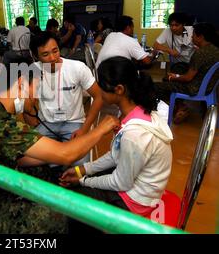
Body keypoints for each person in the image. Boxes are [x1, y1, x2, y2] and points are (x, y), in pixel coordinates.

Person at [0, 56, 119, 234]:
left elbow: (20, 159)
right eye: (37, 90)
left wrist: (50, 158)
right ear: (22, 83)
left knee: (49, 173)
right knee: (57, 216)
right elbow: (66, 155)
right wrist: (102, 128)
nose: (37, 98)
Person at [60, 56, 173, 233]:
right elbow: (116, 154)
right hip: (136, 187)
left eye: (102, 87)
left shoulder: (134, 134)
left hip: (136, 201)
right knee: (82, 185)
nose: (98, 91)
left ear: (119, 89)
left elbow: (121, 182)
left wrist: (83, 181)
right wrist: (84, 169)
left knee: (75, 205)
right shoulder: (135, 111)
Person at [29, 32, 104, 166]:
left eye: (55, 51)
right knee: (27, 157)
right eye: (45, 54)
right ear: (36, 56)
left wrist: (84, 129)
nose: (52, 58)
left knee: (79, 166)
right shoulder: (33, 70)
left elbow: (98, 96)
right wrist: (33, 125)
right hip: (46, 124)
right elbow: (26, 102)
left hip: (74, 124)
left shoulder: (77, 68)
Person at [154, 22, 219, 124]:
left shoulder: (200, 53)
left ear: (200, 37)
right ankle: (179, 107)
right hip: (210, 87)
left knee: (157, 86)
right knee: (179, 68)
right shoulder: (215, 50)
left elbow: (188, 78)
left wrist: (175, 77)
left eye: (193, 36)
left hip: (194, 88)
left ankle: (179, 107)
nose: (192, 38)